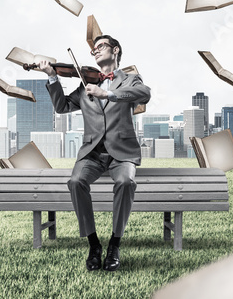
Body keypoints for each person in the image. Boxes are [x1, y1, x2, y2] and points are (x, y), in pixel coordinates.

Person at [24, 35, 150, 271]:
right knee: (75, 182)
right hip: (92, 152)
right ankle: (94, 245)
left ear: (115, 50)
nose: (95, 51)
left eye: (100, 46)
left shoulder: (130, 80)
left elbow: (144, 94)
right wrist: (52, 76)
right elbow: (61, 108)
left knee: (125, 181)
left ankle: (114, 243)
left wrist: (108, 94)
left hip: (122, 152)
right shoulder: (85, 86)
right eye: (93, 49)